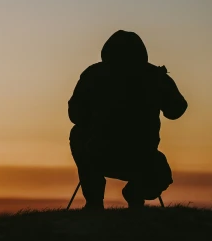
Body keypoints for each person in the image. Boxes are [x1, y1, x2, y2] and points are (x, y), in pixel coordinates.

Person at [68, 30, 188, 209]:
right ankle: (135, 194)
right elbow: (176, 110)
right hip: (140, 156)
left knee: (78, 134)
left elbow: (75, 115)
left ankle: (95, 202)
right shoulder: (153, 76)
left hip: (101, 153)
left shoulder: (94, 74)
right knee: (161, 173)